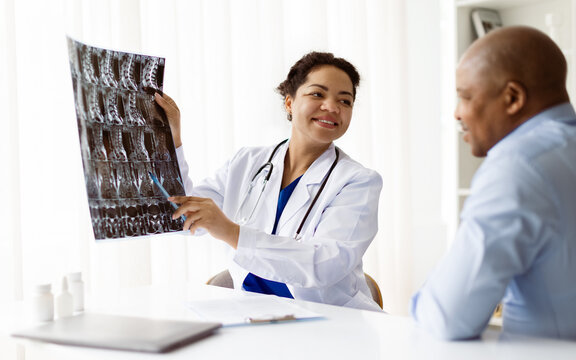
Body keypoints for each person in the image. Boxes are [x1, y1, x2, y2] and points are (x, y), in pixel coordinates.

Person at [155, 52, 383, 312]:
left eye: (345, 100)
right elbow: (182, 213)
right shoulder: (247, 162)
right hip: (253, 314)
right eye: (317, 94)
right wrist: (169, 139)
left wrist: (231, 231)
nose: (332, 107)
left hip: (330, 320)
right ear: (289, 103)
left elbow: (324, 265)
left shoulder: (358, 182)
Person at [410, 26, 576, 340]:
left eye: (465, 96)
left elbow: (447, 317)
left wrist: (427, 295)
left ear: (512, 98)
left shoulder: (519, 165)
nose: (457, 113)